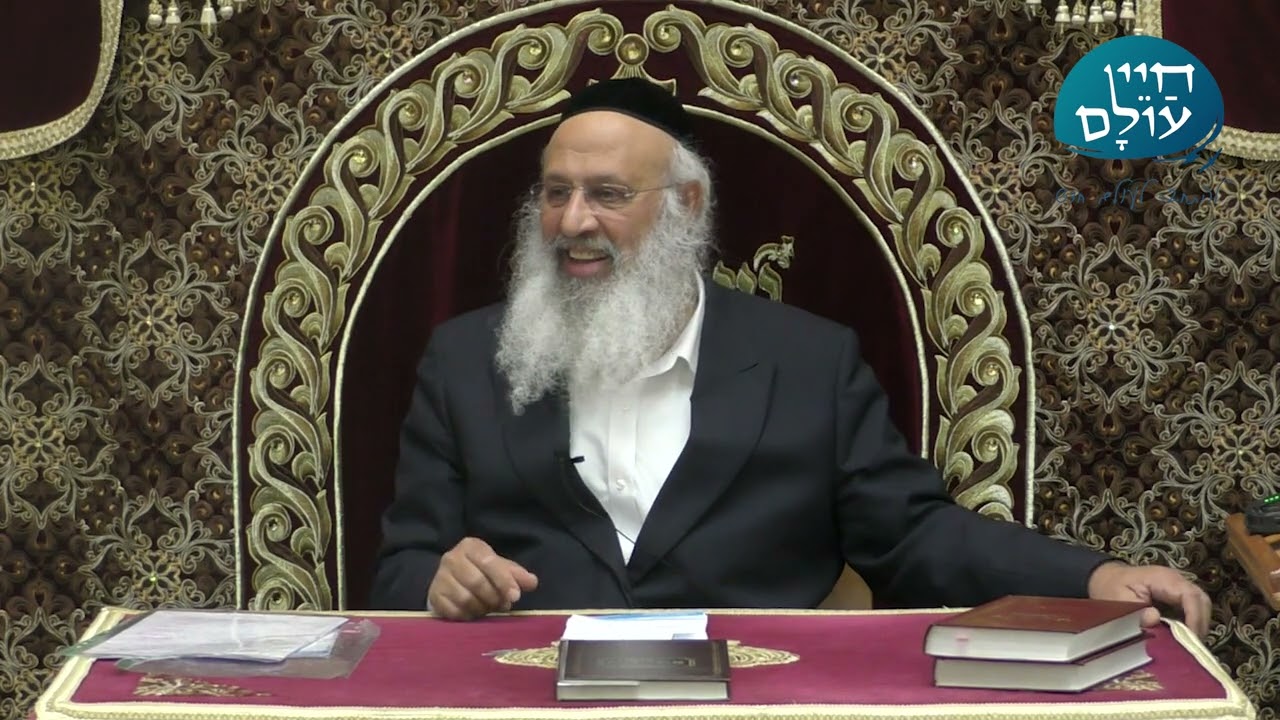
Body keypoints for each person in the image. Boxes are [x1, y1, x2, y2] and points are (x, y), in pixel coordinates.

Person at [370, 78, 1211, 637]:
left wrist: (1094, 577)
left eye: (608, 195)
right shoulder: (466, 359)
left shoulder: (809, 361)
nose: (572, 221)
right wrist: (439, 582)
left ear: (685, 204)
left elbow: (914, 536)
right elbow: (403, 567)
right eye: (557, 193)